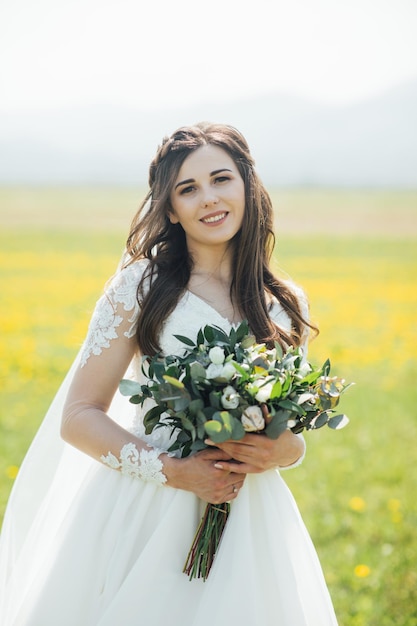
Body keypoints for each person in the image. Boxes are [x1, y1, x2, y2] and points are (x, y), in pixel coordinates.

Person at [0, 122, 338, 625]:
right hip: (148, 507)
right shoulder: (140, 288)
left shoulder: (284, 302)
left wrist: (289, 449)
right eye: (188, 189)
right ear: (172, 209)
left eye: (221, 179)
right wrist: (173, 471)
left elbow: (287, 427)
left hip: (250, 514)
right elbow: (77, 416)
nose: (209, 199)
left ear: (247, 184)